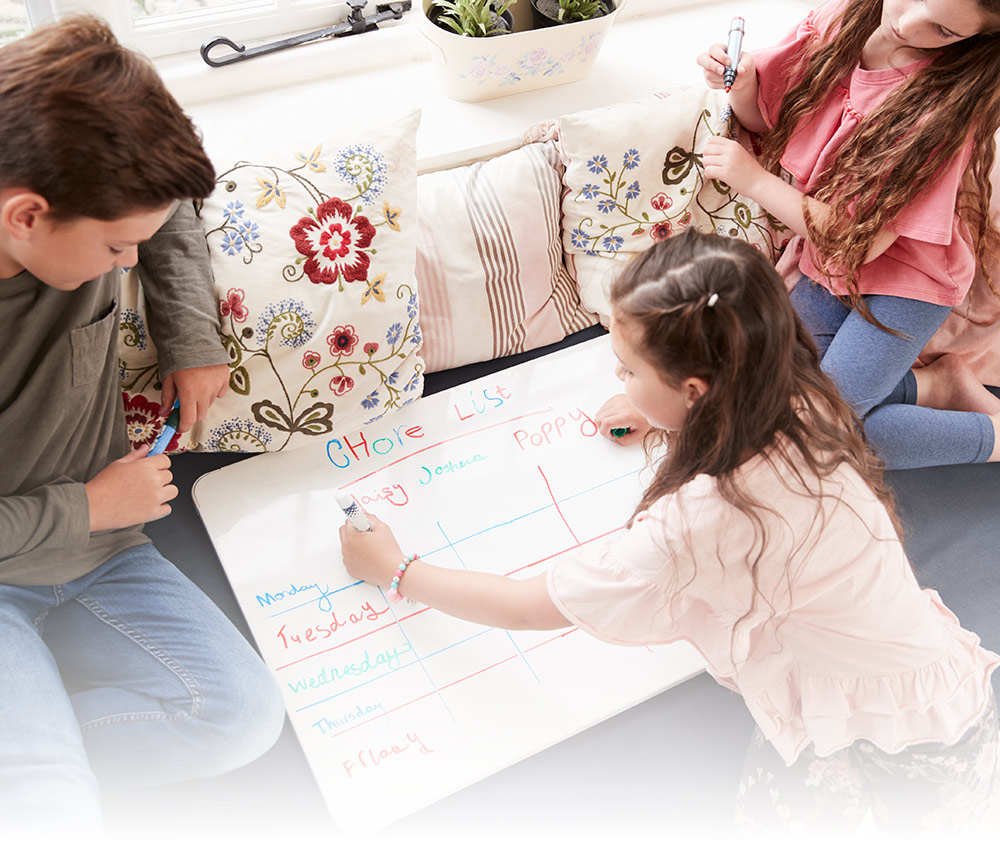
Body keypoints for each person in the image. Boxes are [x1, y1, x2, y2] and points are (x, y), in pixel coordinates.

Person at [340, 230, 999, 832]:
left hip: (908, 735)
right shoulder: (803, 394)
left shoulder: (708, 516)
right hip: (914, 678)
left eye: (628, 369)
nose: (617, 380)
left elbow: (533, 604)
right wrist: (660, 413)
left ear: (694, 388)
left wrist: (397, 569)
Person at [0, 16, 284, 834]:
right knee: (47, 807)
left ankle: (40, 742)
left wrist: (190, 335)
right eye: (118, 248)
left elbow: (169, 204)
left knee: (241, 718)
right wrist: (90, 507)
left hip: (103, 552)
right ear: (26, 215)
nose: (131, 264)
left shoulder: (78, 185)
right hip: (46, 542)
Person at [695, 0, 1000, 469]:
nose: (905, 24)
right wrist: (745, 85)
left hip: (909, 278)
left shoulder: (941, 110)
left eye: (941, 30)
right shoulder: (841, 22)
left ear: (973, 39)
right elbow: (770, 121)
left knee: (816, 432)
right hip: (828, 262)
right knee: (779, 385)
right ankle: (933, 385)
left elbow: (858, 240)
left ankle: (993, 438)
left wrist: (754, 179)